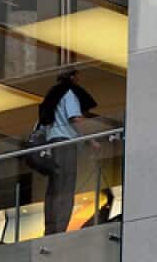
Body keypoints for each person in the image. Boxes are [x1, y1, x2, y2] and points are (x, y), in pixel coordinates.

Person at [39, 69, 99, 236]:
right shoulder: (69, 93)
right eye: (77, 77)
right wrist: (92, 138)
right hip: (65, 144)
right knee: (65, 188)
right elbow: (75, 118)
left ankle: (50, 229)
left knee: (54, 189)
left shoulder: (51, 96)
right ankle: (59, 230)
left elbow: (42, 125)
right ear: (72, 78)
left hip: (51, 144)